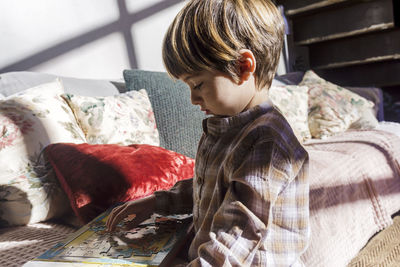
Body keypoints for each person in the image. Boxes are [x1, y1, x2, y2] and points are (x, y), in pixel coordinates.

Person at [106, 0, 310, 266]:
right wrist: (155, 203)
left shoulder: (265, 142)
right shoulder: (223, 127)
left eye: (198, 84)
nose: (192, 99)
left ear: (243, 67)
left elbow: (238, 236)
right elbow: (208, 190)